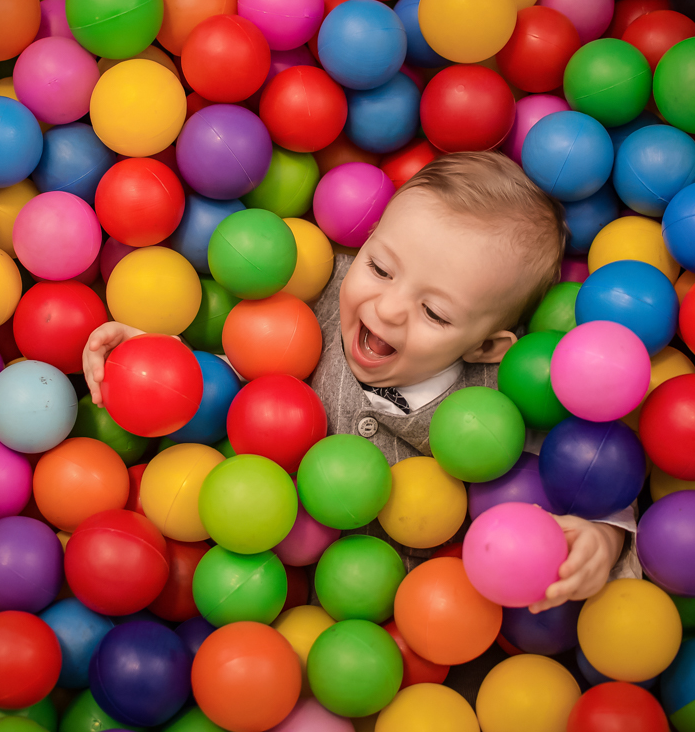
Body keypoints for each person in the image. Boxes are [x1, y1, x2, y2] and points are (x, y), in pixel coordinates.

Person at [82, 151, 638, 615]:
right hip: (259, 558)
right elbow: (235, 377)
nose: (388, 308)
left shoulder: (500, 401)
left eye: (435, 313)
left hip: (409, 608)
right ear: (364, 244)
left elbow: (581, 466)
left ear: (486, 348)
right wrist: (155, 360)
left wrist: (602, 535)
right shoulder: (314, 305)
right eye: (379, 268)